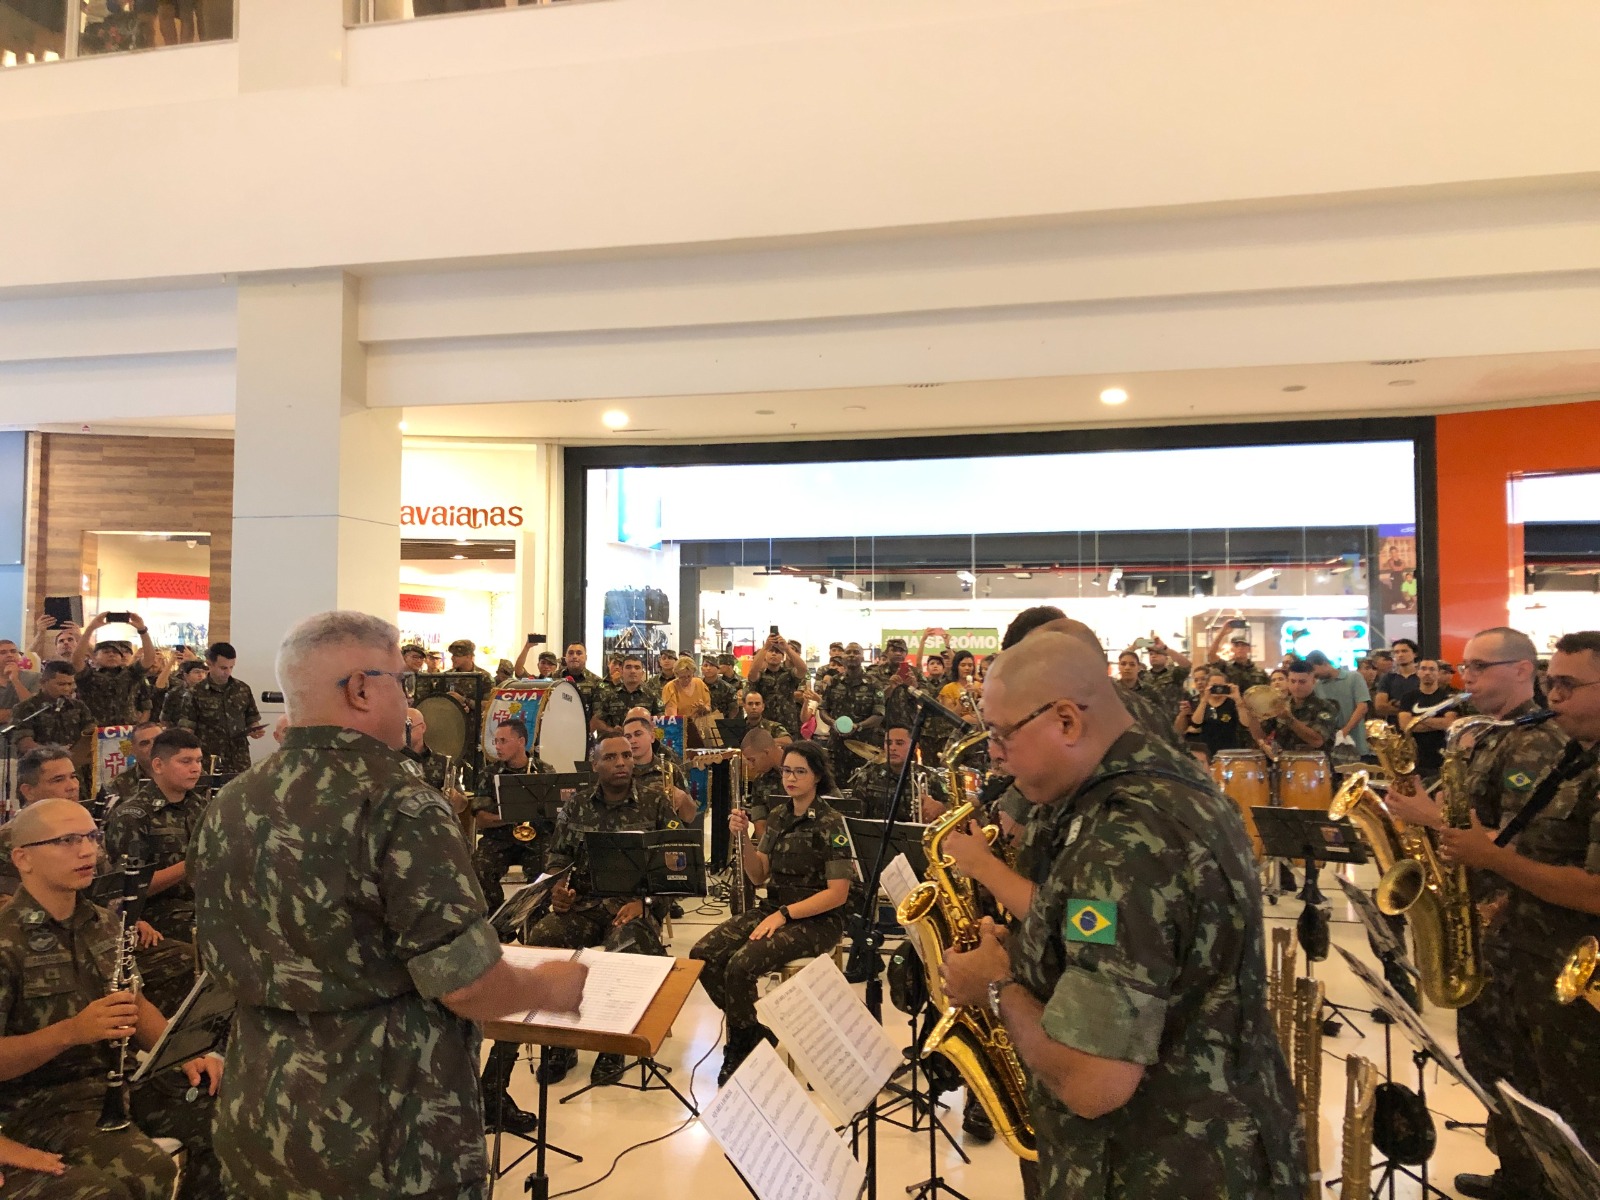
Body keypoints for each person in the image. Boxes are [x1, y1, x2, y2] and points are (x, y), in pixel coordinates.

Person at [189, 610, 587, 1199]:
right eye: (402, 682)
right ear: (359, 688)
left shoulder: (232, 801)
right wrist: (548, 986)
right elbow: (466, 984)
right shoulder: (400, 803)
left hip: (262, 1108)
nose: (408, 698)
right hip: (382, 1127)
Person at [936, 631, 1305, 1199]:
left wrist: (995, 987)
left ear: (1066, 721)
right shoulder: (1170, 787)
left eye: (1001, 733)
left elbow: (1093, 1082)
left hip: (1161, 1168)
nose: (994, 751)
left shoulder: (1123, 838)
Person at [1382, 626, 1570, 1200]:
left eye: (1481, 667)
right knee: (1492, 1062)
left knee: (1529, 1069)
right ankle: (1515, 1172)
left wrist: (1430, 818)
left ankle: (1544, 1180)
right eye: (1465, 667)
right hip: (1478, 917)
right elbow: (1455, 810)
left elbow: (1522, 845)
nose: (1467, 680)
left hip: (1511, 919)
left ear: (1521, 669)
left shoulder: (1536, 742)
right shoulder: (1484, 736)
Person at [1429, 629, 1600, 1200]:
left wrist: (1491, 858)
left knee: (1580, 1118)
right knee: (1531, 1095)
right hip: (1532, 958)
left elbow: (1596, 892)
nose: (1554, 696)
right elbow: (1542, 851)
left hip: (1576, 980)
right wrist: (1507, 895)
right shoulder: (1575, 759)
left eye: (1569, 684)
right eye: (1553, 681)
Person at [0, 798, 225, 1200]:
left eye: (91, 836)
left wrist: (178, 1052)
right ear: (23, 858)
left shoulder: (103, 922)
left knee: (228, 1118)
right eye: (67, 840)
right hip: (39, 1103)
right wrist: (70, 1032)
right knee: (145, 1174)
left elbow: (134, 1006)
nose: (88, 850)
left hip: (118, 1082)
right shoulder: (5, 942)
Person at [520, 733, 681, 1087]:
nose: (622, 762)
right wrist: (558, 892)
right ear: (595, 765)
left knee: (626, 947)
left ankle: (613, 1044)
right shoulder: (577, 804)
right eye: (611, 757)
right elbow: (558, 859)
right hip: (584, 906)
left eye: (626, 756)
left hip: (631, 907)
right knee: (545, 937)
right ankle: (559, 1042)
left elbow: (675, 868)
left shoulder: (655, 803)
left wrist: (647, 904)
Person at [692, 741, 853, 1085]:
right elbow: (758, 874)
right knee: (702, 955)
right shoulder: (779, 817)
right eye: (786, 771)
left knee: (740, 965)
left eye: (800, 772)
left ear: (817, 777)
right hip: (775, 908)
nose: (790, 778)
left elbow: (838, 894)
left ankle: (739, 1046)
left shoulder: (831, 822)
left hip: (817, 919)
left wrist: (784, 914)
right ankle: (751, 1031)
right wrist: (744, 839)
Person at [103, 729, 207, 943]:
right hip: (158, 914)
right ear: (158, 765)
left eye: (198, 760)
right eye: (185, 761)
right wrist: (191, 864)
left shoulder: (199, 806)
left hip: (202, 903)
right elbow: (125, 890)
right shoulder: (133, 816)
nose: (195, 768)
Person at [468, 718, 554, 911]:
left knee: (547, 869)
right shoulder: (489, 774)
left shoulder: (544, 771)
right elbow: (482, 819)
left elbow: (554, 814)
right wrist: (514, 815)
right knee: (479, 867)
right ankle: (498, 918)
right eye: (495, 741)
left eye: (503, 741)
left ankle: (534, 919)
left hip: (536, 838)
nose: (497, 746)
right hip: (499, 839)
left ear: (521, 741)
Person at [167, 642, 264, 774]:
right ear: (209, 664)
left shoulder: (242, 689)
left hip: (239, 759)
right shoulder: (195, 693)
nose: (228, 672)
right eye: (223, 668)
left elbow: (252, 718)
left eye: (231, 667)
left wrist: (255, 730)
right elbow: (186, 730)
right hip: (209, 760)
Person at [847, 722, 949, 822]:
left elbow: (953, 809)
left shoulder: (930, 777)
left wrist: (941, 808)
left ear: (914, 747)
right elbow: (855, 816)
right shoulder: (867, 777)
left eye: (899, 743)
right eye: (888, 743)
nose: (892, 748)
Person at [1241, 660, 1340, 760]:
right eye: (1293, 681)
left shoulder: (1326, 706)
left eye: (1302, 682)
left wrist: (1289, 719)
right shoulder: (1280, 704)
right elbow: (1260, 735)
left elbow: (1317, 741)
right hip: (1284, 766)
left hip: (1314, 766)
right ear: (1288, 681)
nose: (1297, 686)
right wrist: (1251, 714)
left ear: (1313, 681)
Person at [72, 615, 156, 727]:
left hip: (128, 730)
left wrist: (142, 630)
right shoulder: (88, 675)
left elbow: (149, 658)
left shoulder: (131, 673)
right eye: (106, 652)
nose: (112, 654)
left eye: (116, 652)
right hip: (96, 732)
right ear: (95, 657)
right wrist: (90, 629)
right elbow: (76, 661)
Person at [11, 662, 96, 770]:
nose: (66, 689)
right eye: (61, 684)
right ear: (43, 683)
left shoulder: (78, 706)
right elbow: (25, 744)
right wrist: (57, 752)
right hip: (39, 770)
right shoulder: (26, 708)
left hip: (74, 769)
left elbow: (91, 732)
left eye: (70, 684)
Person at [819, 643, 885, 781]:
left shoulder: (873, 683)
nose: (852, 655)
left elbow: (879, 715)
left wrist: (859, 726)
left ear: (862, 657)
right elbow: (823, 709)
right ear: (843, 657)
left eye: (856, 652)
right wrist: (833, 723)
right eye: (848, 652)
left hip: (864, 748)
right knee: (834, 788)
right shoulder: (834, 682)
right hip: (836, 747)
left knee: (862, 788)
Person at [623, 713, 698, 823]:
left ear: (652, 737)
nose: (632, 741)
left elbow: (689, 818)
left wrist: (683, 799)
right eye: (628, 737)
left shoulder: (670, 770)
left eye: (638, 734)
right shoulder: (619, 770)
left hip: (664, 835)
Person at [1397, 658, 1461, 779]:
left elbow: (1449, 723)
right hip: (1414, 760)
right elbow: (1405, 725)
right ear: (1418, 672)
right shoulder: (1408, 697)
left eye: (1432, 669)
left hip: (1441, 758)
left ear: (1438, 673)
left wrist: (1418, 719)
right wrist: (1437, 722)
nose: (1427, 672)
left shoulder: (1448, 698)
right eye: (1424, 669)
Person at [1306, 649, 1371, 762]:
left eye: (1316, 673)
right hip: (1330, 748)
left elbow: (1362, 707)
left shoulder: (1354, 678)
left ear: (1325, 663)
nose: (1315, 677)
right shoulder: (1317, 686)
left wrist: (1345, 731)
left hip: (1356, 743)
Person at [1180, 670, 1252, 765]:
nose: (1218, 689)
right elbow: (1196, 723)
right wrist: (1205, 699)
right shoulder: (1201, 702)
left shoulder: (1232, 703)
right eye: (1214, 685)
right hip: (1207, 752)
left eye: (1221, 685)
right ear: (1208, 686)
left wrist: (1238, 699)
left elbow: (1245, 724)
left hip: (1229, 752)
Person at [746, 632, 808, 738]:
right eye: (771, 651)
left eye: (778, 652)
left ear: (783, 657)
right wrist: (765, 648)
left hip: (789, 724)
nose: (774, 654)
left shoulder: (789, 674)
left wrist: (787, 648)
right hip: (765, 725)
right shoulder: (760, 675)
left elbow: (803, 669)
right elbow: (751, 673)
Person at [590, 654, 661, 738]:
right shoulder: (610, 695)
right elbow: (596, 721)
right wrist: (612, 730)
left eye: (637, 667)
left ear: (642, 673)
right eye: (628, 667)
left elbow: (662, 721)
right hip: (618, 745)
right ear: (622, 672)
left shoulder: (652, 696)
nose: (632, 671)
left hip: (643, 745)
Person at [107, 720, 165, 803]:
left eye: (158, 741)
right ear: (133, 751)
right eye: (145, 743)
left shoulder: (182, 774)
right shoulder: (120, 784)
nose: (153, 746)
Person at [1373, 637, 1422, 721]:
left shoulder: (1422, 677)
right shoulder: (1388, 678)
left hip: (1420, 726)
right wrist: (1412, 710)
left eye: (1404, 651)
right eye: (1396, 652)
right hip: (1394, 727)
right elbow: (1380, 707)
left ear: (1415, 654)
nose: (1400, 655)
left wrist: (1396, 706)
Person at [659, 655, 713, 720]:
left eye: (689, 676)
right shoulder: (670, 687)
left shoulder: (700, 683)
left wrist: (703, 708)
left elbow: (708, 708)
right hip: (680, 726)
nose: (686, 679)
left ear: (693, 673)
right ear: (677, 674)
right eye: (682, 677)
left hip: (700, 725)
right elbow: (672, 718)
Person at [0, 637, 38, 724]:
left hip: (25, 732)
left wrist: (15, 680)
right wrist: (21, 712)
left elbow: (34, 709)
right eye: (2, 652)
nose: (9, 655)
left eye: (13, 651)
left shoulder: (34, 677)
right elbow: (27, 713)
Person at [159, 659, 209, 726]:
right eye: (196, 672)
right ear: (186, 675)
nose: (201, 675)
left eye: (203, 672)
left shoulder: (209, 692)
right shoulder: (174, 693)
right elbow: (164, 719)